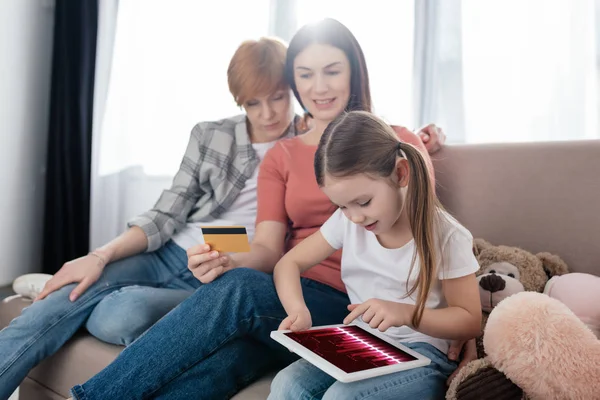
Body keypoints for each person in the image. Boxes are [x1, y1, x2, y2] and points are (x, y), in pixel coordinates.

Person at [66, 19, 457, 400]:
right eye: (304, 75)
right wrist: (228, 262)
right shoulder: (281, 154)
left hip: (360, 305)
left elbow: (430, 233)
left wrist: (461, 327)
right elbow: (270, 250)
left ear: (355, 71)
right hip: (291, 300)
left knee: (238, 291)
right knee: (225, 361)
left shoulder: (398, 142)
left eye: (332, 71)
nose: (318, 87)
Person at [0, 36, 306, 400]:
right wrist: (99, 256)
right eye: (254, 103)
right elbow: (166, 212)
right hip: (170, 251)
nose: (268, 113)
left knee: (118, 316)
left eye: (278, 97)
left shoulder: (307, 143)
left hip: (221, 274)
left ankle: (102, 296)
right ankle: (80, 290)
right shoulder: (212, 134)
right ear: (239, 101)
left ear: (293, 90)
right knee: (57, 304)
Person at [268, 110, 482, 400]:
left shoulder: (446, 236)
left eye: (364, 202)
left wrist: (406, 313)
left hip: (424, 353)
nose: (355, 217)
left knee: (341, 398)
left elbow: (469, 320)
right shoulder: (348, 222)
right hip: (362, 344)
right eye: (342, 206)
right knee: (286, 383)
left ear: (400, 173)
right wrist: (298, 311)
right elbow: (288, 264)